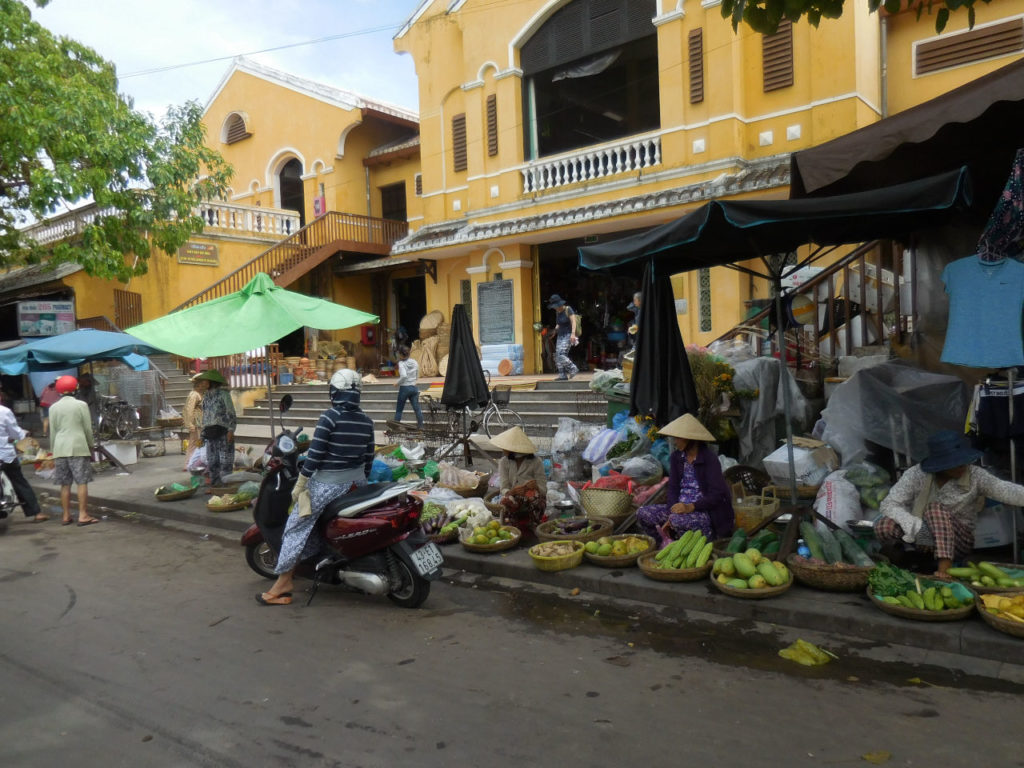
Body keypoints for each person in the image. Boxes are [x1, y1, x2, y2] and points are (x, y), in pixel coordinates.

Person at [257, 368, 375, 606]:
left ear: (334, 392)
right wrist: (359, 482)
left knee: (294, 526)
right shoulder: (366, 421)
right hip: (357, 484)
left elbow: (315, 457)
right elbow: (369, 459)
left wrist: (300, 484)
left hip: (329, 485)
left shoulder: (329, 418)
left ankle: (283, 583)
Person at [874, 429, 1024, 579]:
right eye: (955, 463)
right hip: (922, 538)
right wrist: (919, 528)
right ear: (940, 464)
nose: (962, 466)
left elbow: (1007, 490)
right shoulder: (916, 475)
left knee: (934, 508)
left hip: (958, 541)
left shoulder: (976, 475)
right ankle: (913, 560)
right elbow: (889, 504)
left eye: (963, 461)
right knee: (884, 525)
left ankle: (944, 570)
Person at [635, 413, 734, 544]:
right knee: (643, 513)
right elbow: (673, 487)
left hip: (702, 511)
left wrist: (691, 507)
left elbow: (717, 495)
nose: (675, 442)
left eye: (678, 438)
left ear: (690, 439)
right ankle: (663, 544)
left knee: (677, 521)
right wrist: (672, 511)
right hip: (678, 510)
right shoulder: (677, 457)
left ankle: (698, 542)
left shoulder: (709, 459)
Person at [48, 375, 99, 526]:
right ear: (75, 388)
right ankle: (83, 515)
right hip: (78, 446)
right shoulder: (81, 405)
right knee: (82, 482)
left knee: (65, 484)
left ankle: (65, 515)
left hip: (60, 448)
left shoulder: (53, 408)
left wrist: (53, 451)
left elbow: (53, 431)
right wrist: (90, 445)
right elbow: (87, 429)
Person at [490, 426, 548, 534]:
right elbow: (504, 487)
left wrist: (535, 486)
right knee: (506, 501)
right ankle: (513, 524)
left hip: (532, 497)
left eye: (505, 448)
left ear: (514, 450)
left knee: (534, 497)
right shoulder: (504, 462)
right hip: (514, 497)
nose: (503, 450)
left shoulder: (536, 462)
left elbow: (544, 489)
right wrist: (512, 491)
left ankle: (533, 523)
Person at [0, 394, 47, 522]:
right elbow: (15, 432)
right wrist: (24, 434)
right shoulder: (4, 412)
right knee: (19, 482)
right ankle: (36, 513)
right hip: (5, 456)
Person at [196, 370, 236, 487]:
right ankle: (215, 486)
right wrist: (202, 436)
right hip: (210, 434)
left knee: (225, 462)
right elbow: (205, 417)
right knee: (212, 462)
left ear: (211, 382)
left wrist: (231, 430)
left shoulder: (224, 394)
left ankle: (226, 487)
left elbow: (231, 413)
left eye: (204, 381)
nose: (202, 383)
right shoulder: (206, 397)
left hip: (224, 432)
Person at [547, 294, 578, 380]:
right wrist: (554, 331)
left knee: (561, 354)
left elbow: (573, 321)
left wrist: (573, 334)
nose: (555, 308)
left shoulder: (568, 309)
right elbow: (558, 324)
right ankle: (562, 375)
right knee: (557, 355)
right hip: (560, 335)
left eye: (556, 306)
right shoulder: (558, 312)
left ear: (560, 304)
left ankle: (573, 368)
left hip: (568, 335)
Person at [182, 374, 209, 472]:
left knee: (194, 443)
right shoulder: (194, 395)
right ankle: (190, 464)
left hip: (200, 421)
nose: (206, 385)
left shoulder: (200, 394)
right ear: (199, 384)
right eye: (204, 383)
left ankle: (189, 463)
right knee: (196, 443)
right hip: (196, 422)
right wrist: (190, 424)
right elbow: (188, 409)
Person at [393, 346, 424, 428]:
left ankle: (395, 429)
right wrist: (414, 381)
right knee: (417, 409)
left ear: (400, 354)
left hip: (404, 388)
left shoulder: (401, 363)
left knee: (399, 410)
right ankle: (421, 427)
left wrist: (397, 383)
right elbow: (417, 373)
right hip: (414, 387)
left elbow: (403, 376)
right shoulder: (414, 362)